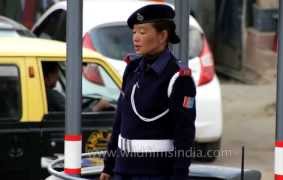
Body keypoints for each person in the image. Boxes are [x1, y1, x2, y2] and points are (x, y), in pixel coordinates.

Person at [100, 4, 196, 180]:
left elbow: (185, 134)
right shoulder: (132, 69)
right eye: (134, 32)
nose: (136, 38)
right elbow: (120, 120)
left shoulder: (178, 78)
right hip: (122, 170)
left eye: (143, 32)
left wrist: (180, 176)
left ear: (162, 36)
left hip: (155, 173)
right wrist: (108, 166)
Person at [43, 62, 112, 112]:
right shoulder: (51, 95)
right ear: (49, 76)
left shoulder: (44, 94)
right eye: (56, 73)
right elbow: (74, 120)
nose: (58, 77)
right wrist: (99, 106)